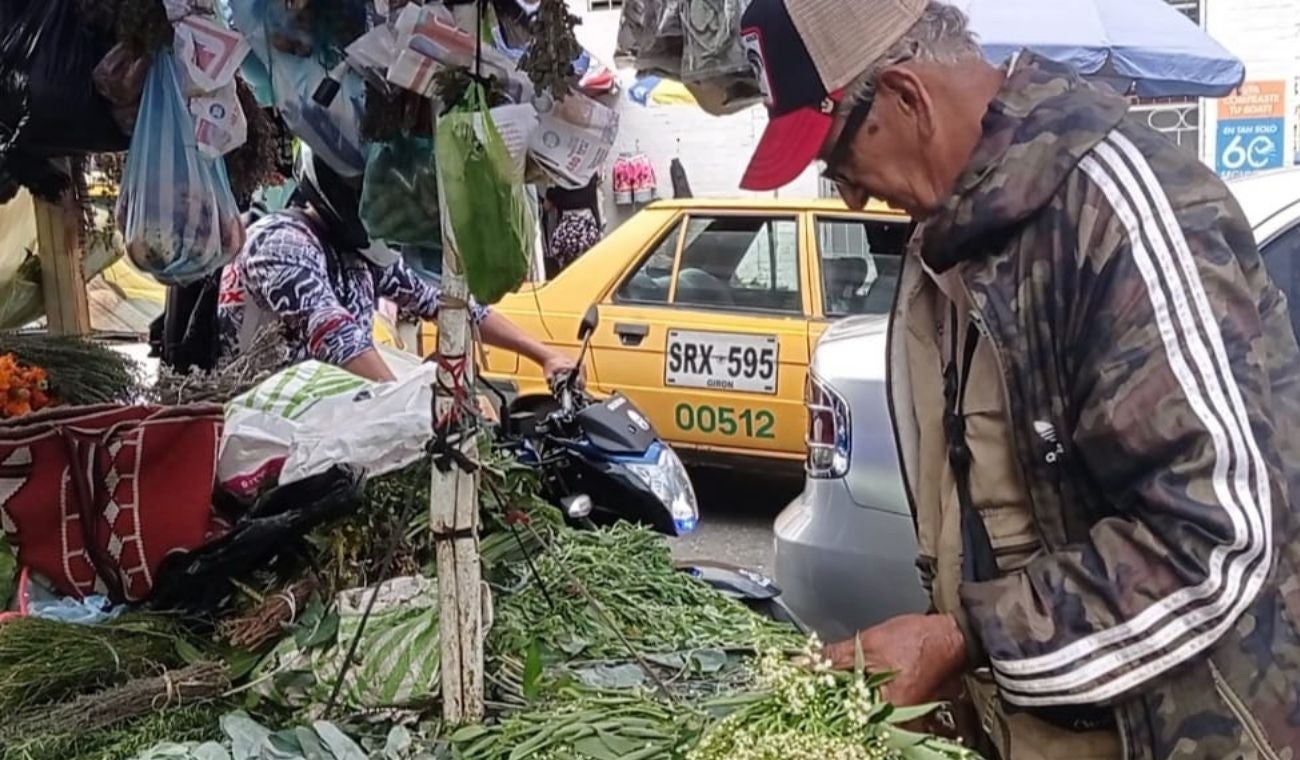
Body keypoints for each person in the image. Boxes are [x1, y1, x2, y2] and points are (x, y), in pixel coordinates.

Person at [738, 0, 1300, 757]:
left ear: (906, 97)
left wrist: (964, 636)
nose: (848, 194)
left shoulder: (1117, 214)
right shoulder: (948, 242)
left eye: (837, 156)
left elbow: (1214, 541)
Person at [218, 146, 578, 384]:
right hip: (272, 427)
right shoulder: (281, 242)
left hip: (334, 420)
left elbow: (442, 302)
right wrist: (403, 404)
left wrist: (544, 356)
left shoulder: (360, 252)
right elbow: (332, 332)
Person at [543, 177, 603, 278]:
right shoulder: (590, 179)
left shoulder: (558, 189)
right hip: (586, 229)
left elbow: (546, 206)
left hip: (568, 230)